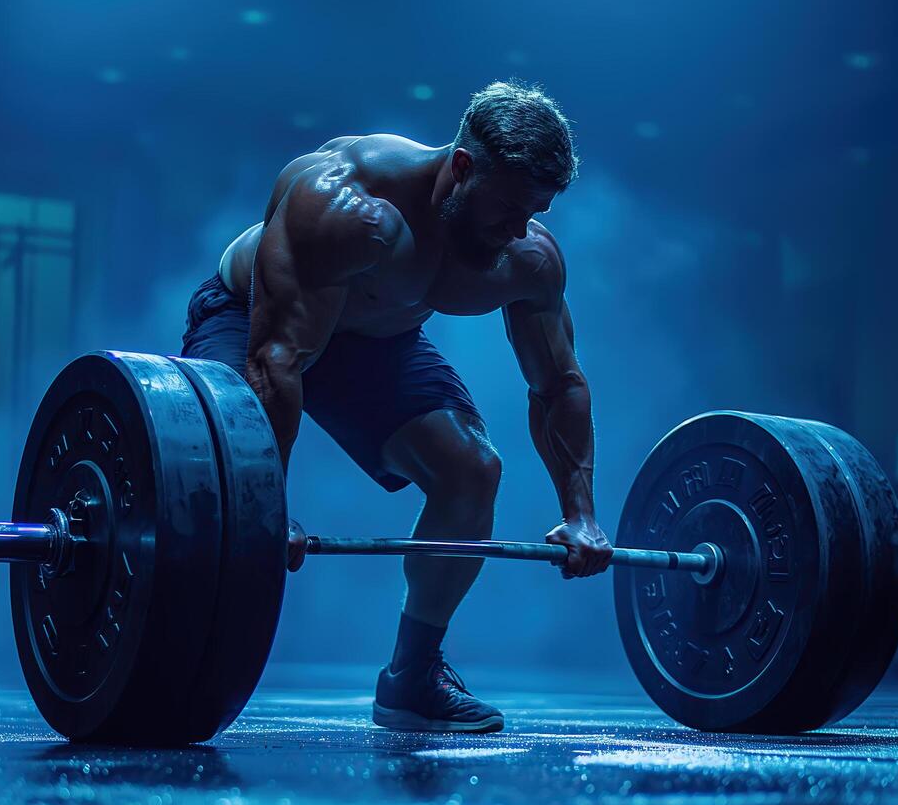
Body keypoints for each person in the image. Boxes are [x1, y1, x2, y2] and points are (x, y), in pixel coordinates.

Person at [181, 81, 613, 733]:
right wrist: (263, 511)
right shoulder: (345, 204)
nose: (518, 231)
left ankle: (412, 678)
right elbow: (277, 359)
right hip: (252, 323)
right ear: (461, 168)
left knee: (471, 470)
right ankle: (183, 653)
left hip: (373, 342)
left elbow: (558, 385)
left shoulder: (524, 259)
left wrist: (579, 515)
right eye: (507, 211)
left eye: (535, 212)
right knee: (213, 487)